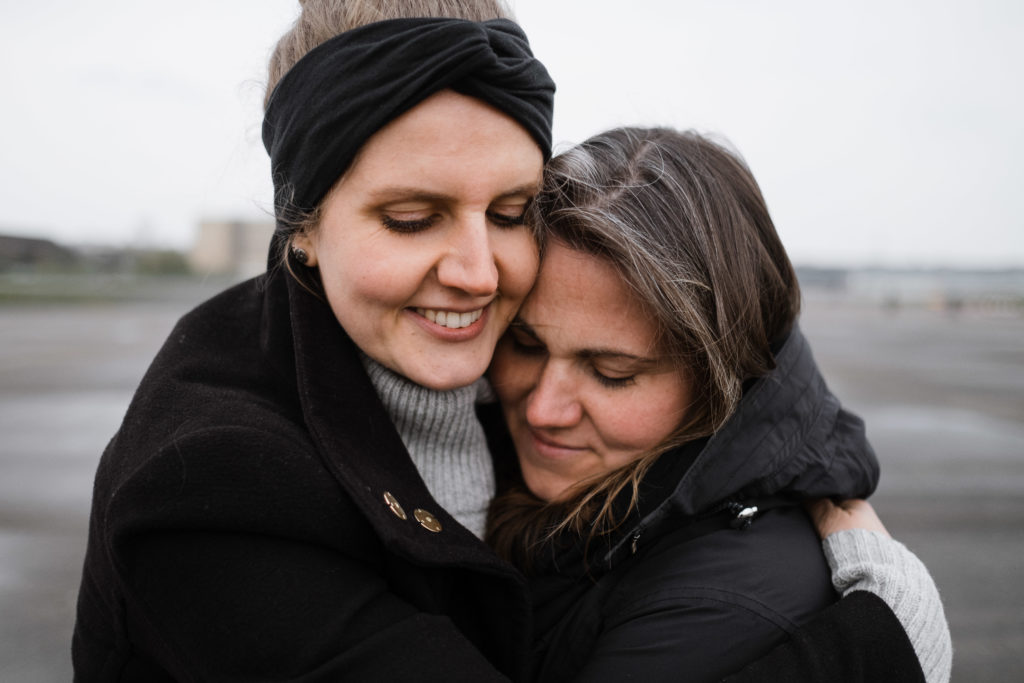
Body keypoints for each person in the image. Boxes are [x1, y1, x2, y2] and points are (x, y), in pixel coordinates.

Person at [71, 1, 946, 681]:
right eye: (412, 218)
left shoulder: (479, 374)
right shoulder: (211, 484)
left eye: (511, 211)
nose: (480, 272)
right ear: (300, 227)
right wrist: (886, 636)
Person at [485, 126, 951, 683]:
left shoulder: (723, 610)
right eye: (525, 344)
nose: (543, 409)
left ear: (720, 383)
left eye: (612, 373)